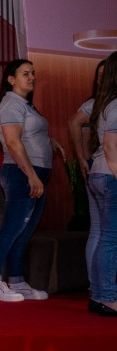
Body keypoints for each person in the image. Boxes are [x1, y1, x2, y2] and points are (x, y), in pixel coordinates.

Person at [0, 59, 56, 302]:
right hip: (20, 173)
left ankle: (17, 281)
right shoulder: (11, 105)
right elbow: (13, 143)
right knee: (12, 228)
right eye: (25, 73)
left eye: (33, 73)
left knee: (25, 230)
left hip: (36, 172)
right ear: (11, 79)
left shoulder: (25, 105)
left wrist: (50, 143)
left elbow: (30, 135)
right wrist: (31, 175)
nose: (31, 77)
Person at [69, 60, 105, 303]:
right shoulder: (96, 103)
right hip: (103, 169)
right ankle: (97, 285)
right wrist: (81, 158)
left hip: (99, 168)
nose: (101, 79)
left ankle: (99, 285)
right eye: (98, 75)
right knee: (101, 231)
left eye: (106, 74)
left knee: (102, 231)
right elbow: (73, 122)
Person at [87, 52, 117, 317]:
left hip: (100, 173)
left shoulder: (105, 103)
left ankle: (99, 295)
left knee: (104, 236)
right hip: (110, 175)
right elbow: (110, 145)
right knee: (110, 238)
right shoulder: (116, 104)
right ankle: (108, 297)